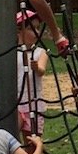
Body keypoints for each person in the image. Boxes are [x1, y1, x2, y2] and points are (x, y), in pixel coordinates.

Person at [16, 8, 48, 136]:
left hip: (34, 104)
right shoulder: (11, 52)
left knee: (32, 144)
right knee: (10, 140)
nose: (36, 32)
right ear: (18, 31)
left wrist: (36, 67)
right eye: (31, 28)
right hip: (16, 104)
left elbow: (41, 70)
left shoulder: (40, 52)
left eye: (38, 28)